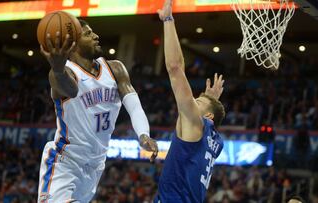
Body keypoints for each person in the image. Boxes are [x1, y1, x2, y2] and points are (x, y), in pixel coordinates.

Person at [37, 19, 158, 202]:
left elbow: (134, 105)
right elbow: (70, 89)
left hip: (95, 166)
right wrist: (58, 69)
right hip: (66, 162)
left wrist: (143, 134)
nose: (96, 36)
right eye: (88, 34)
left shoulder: (115, 69)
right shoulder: (65, 73)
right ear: (73, 45)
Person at [154, 0, 226, 202]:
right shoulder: (216, 143)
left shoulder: (197, 123)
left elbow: (175, 68)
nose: (192, 100)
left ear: (207, 116)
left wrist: (168, 19)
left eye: (198, 102)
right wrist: (209, 99)